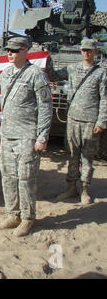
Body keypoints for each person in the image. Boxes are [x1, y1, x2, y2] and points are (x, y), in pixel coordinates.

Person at [0, 37, 53, 236]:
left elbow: (45, 107)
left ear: (25, 51)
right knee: (8, 177)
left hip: (26, 136)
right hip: (7, 135)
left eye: (14, 50)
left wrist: (42, 137)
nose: (9, 53)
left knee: (26, 179)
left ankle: (27, 218)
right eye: (8, 50)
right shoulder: (6, 73)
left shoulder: (36, 75)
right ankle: (13, 214)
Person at [45, 38, 107, 204]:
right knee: (72, 155)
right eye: (83, 50)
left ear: (95, 52)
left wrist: (101, 122)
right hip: (72, 119)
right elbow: (53, 75)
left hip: (90, 121)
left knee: (87, 157)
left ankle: (84, 189)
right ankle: (71, 188)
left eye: (89, 50)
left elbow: (104, 99)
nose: (86, 53)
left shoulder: (101, 73)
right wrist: (48, 59)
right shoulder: (72, 68)